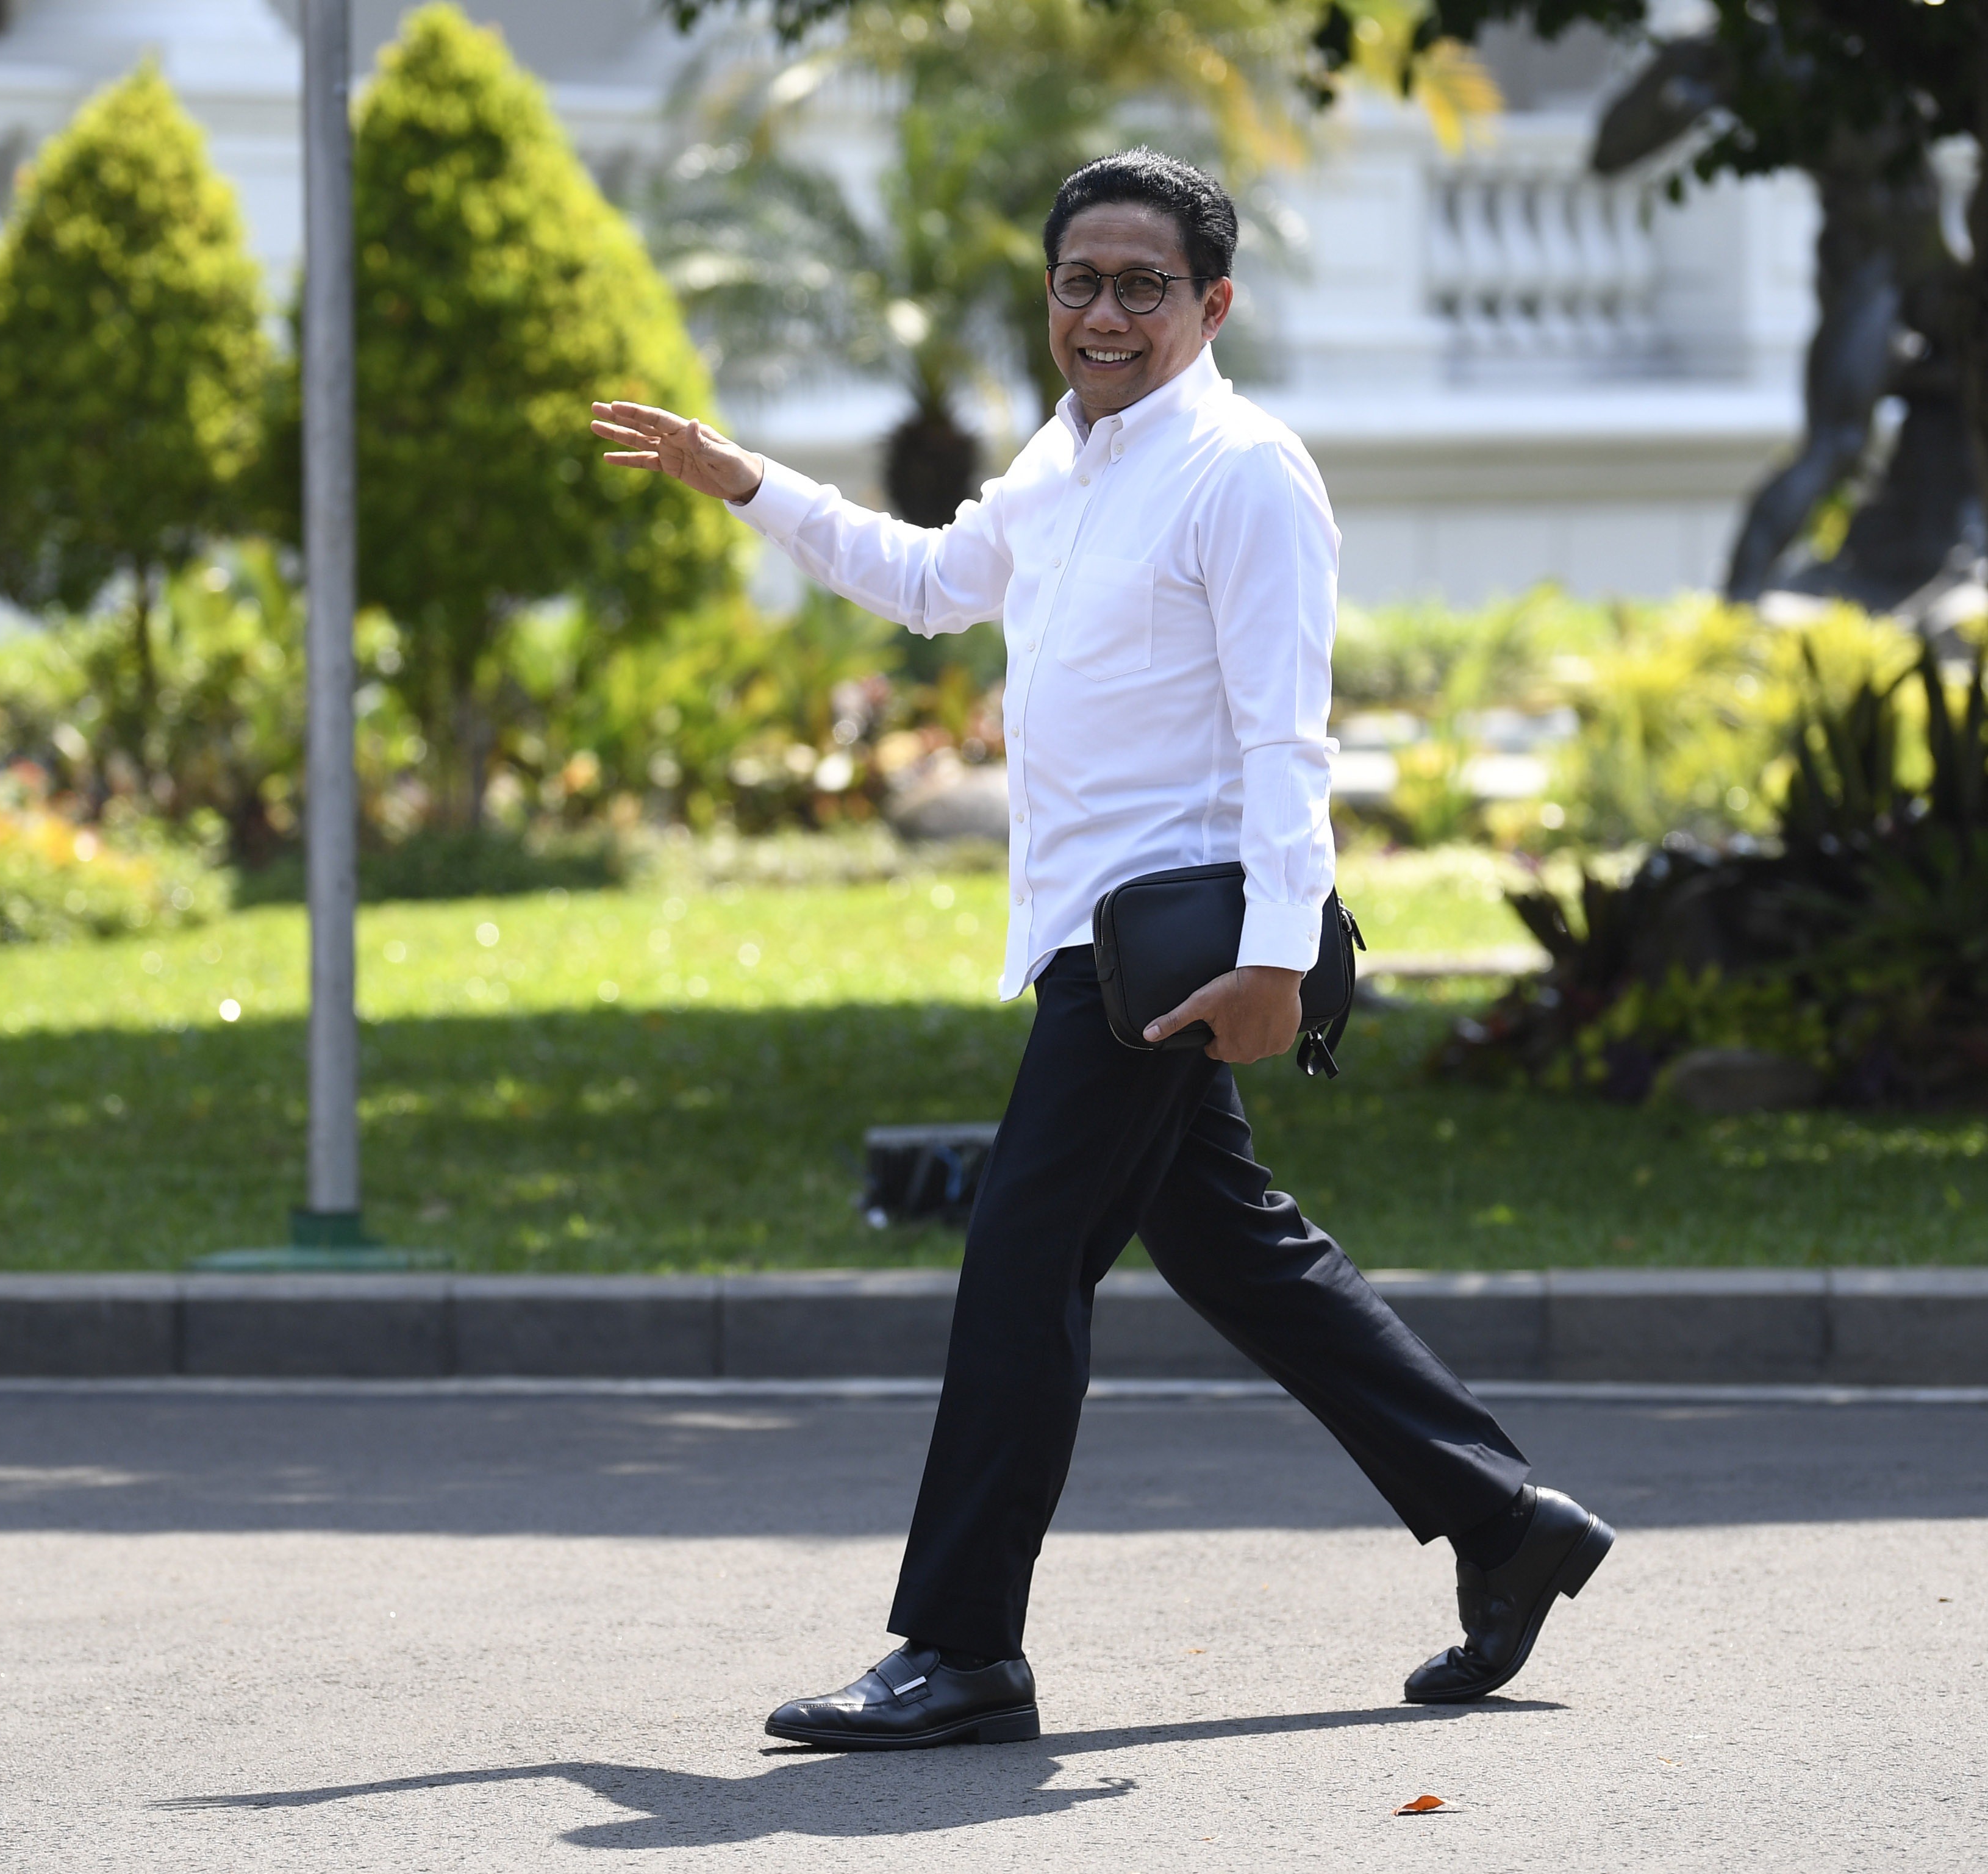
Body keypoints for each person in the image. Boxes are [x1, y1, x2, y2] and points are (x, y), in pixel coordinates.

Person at [592, 148, 1612, 1752]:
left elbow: (1288, 741)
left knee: (1020, 1257)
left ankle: (959, 1646)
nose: (1106, 313)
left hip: (1170, 946)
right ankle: (1502, 1520)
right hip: (1095, 928)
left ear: (1211, 303)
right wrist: (740, 477)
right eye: (1079, 282)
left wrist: (1279, 959)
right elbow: (927, 582)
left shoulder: (1244, 472)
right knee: (1230, 1248)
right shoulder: (1066, 460)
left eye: (1144, 286)